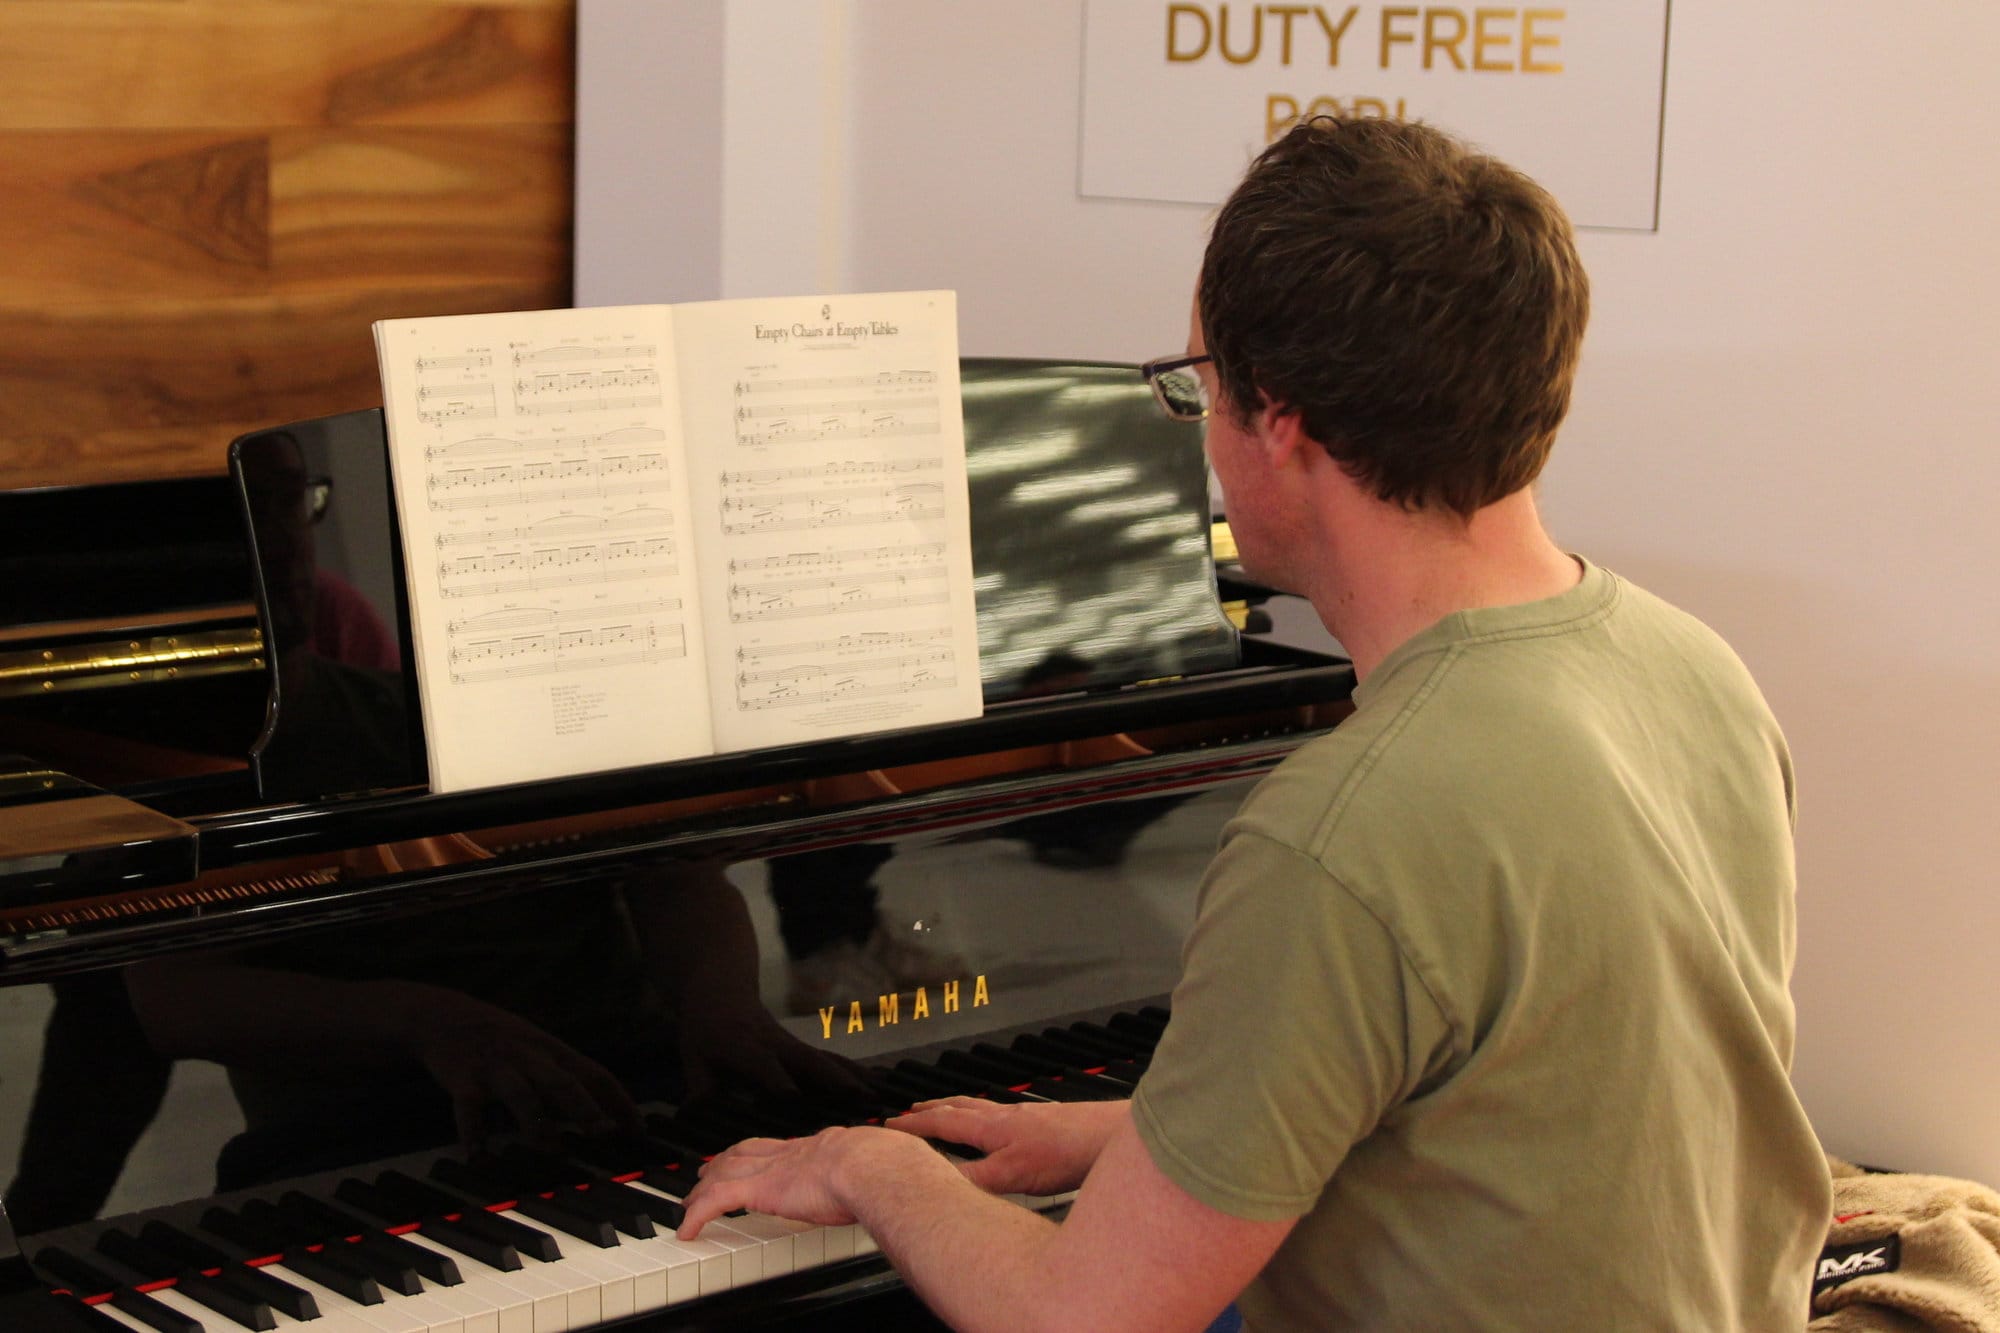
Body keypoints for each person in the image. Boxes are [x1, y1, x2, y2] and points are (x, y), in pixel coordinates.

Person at [675, 115, 1832, 1330]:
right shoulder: (1691, 669)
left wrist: (871, 1164)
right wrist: (1136, 1136)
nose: (1201, 435)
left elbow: (1080, 1321)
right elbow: (1537, 1083)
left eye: (1199, 387)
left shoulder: (1344, 825)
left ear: (1277, 419)